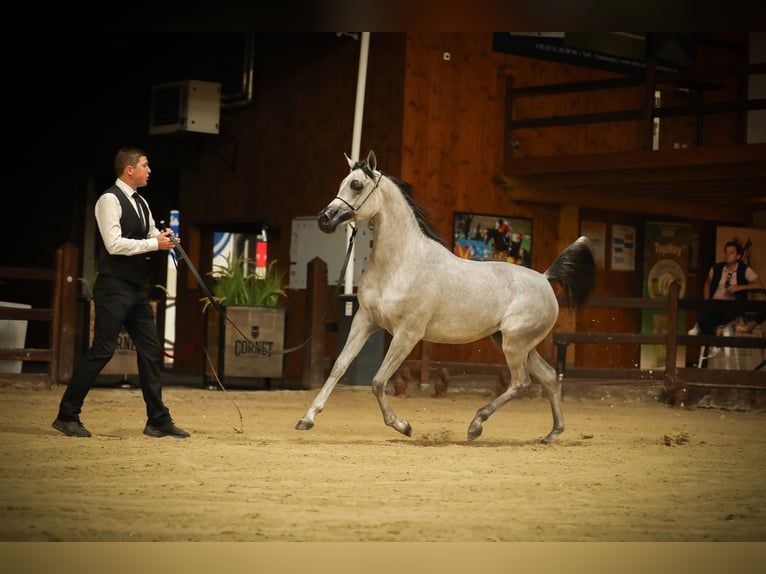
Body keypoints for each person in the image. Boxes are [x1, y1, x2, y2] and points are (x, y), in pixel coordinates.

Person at [52, 147, 189, 439]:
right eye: (145, 165)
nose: (149, 170)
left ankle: (158, 420)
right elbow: (114, 244)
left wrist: (165, 238)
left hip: (137, 289)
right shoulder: (108, 200)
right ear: (130, 170)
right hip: (113, 287)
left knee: (151, 352)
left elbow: (151, 232)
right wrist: (155, 245)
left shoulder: (141, 203)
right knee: (102, 350)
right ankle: (67, 415)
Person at [688, 239, 765, 355]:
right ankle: (712, 341)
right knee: (707, 312)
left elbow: (759, 284)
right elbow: (707, 283)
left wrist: (738, 287)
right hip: (715, 303)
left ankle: (700, 326)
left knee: (707, 317)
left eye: (731, 253)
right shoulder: (716, 268)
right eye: (726, 252)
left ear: (738, 256)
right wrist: (707, 300)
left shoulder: (744, 269)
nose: (727, 255)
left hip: (732, 306)